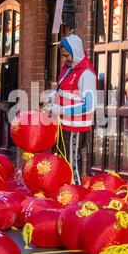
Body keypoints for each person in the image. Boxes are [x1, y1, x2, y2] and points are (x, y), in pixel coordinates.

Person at [44, 34, 96, 185]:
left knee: (72, 165)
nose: (64, 59)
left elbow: (89, 106)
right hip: (63, 124)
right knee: (60, 162)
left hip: (75, 128)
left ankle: (76, 196)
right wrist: (52, 97)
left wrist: (59, 109)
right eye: (63, 56)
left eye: (67, 55)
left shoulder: (86, 74)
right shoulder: (68, 68)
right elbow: (63, 89)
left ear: (76, 52)